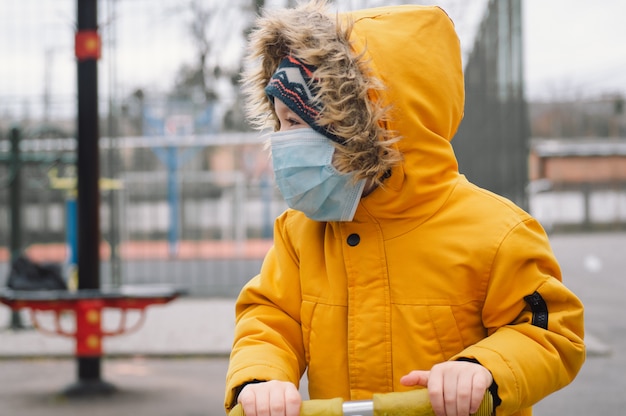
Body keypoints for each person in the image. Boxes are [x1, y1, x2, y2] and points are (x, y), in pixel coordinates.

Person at [224, 1, 585, 415]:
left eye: (296, 123)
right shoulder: (300, 233)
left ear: (360, 128)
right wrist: (261, 377)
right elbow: (270, 319)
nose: (281, 143)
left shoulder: (496, 232)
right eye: (280, 121)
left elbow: (550, 331)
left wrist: (483, 366)